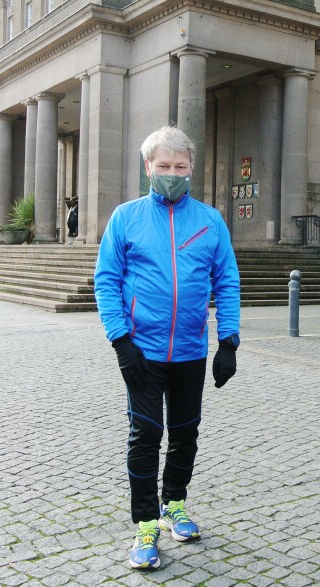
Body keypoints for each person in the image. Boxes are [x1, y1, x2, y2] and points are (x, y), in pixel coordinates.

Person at [94, 126, 241, 571]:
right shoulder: (126, 217)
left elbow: (227, 281)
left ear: (191, 168)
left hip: (191, 351)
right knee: (145, 436)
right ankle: (145, 526)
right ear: (148, 169)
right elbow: (106, 282)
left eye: (179, 166)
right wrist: (121, 342)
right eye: (163, 167)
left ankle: (174, 502)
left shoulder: (211, 220)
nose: (171, 173)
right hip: (142, 350)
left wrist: (228, 340)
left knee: (185, 433)